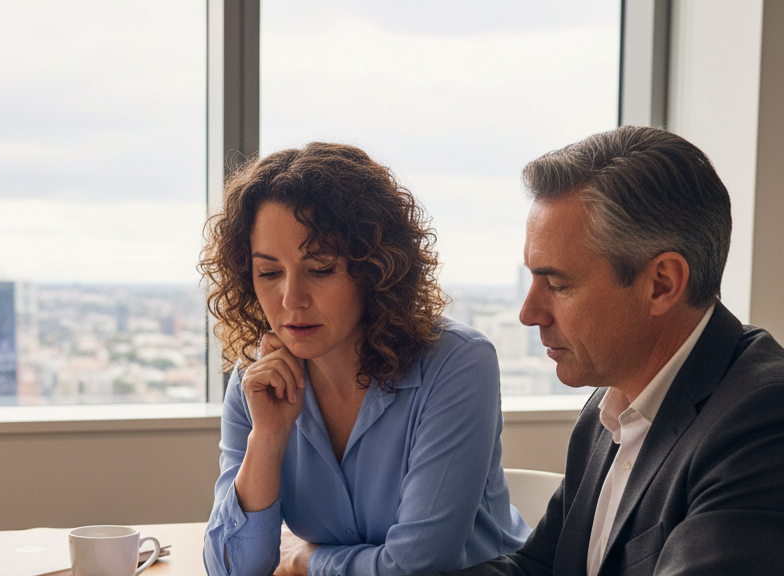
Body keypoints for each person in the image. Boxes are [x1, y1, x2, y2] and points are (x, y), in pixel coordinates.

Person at [429, 126, 784, 576]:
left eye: (557, 284)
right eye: (532, 280)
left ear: (662, 284)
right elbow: (537, 568)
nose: (528, 313)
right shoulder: (609, 405)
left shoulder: (764, 421)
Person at [198, 142, 531, 576]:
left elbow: (419, 568)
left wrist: (307, 557)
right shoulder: (256, 382)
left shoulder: (459, 364)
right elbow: (232, 569)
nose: (291, 300)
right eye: (268, 272)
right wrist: (268, 435)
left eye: (320, 269)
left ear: (374, 268)